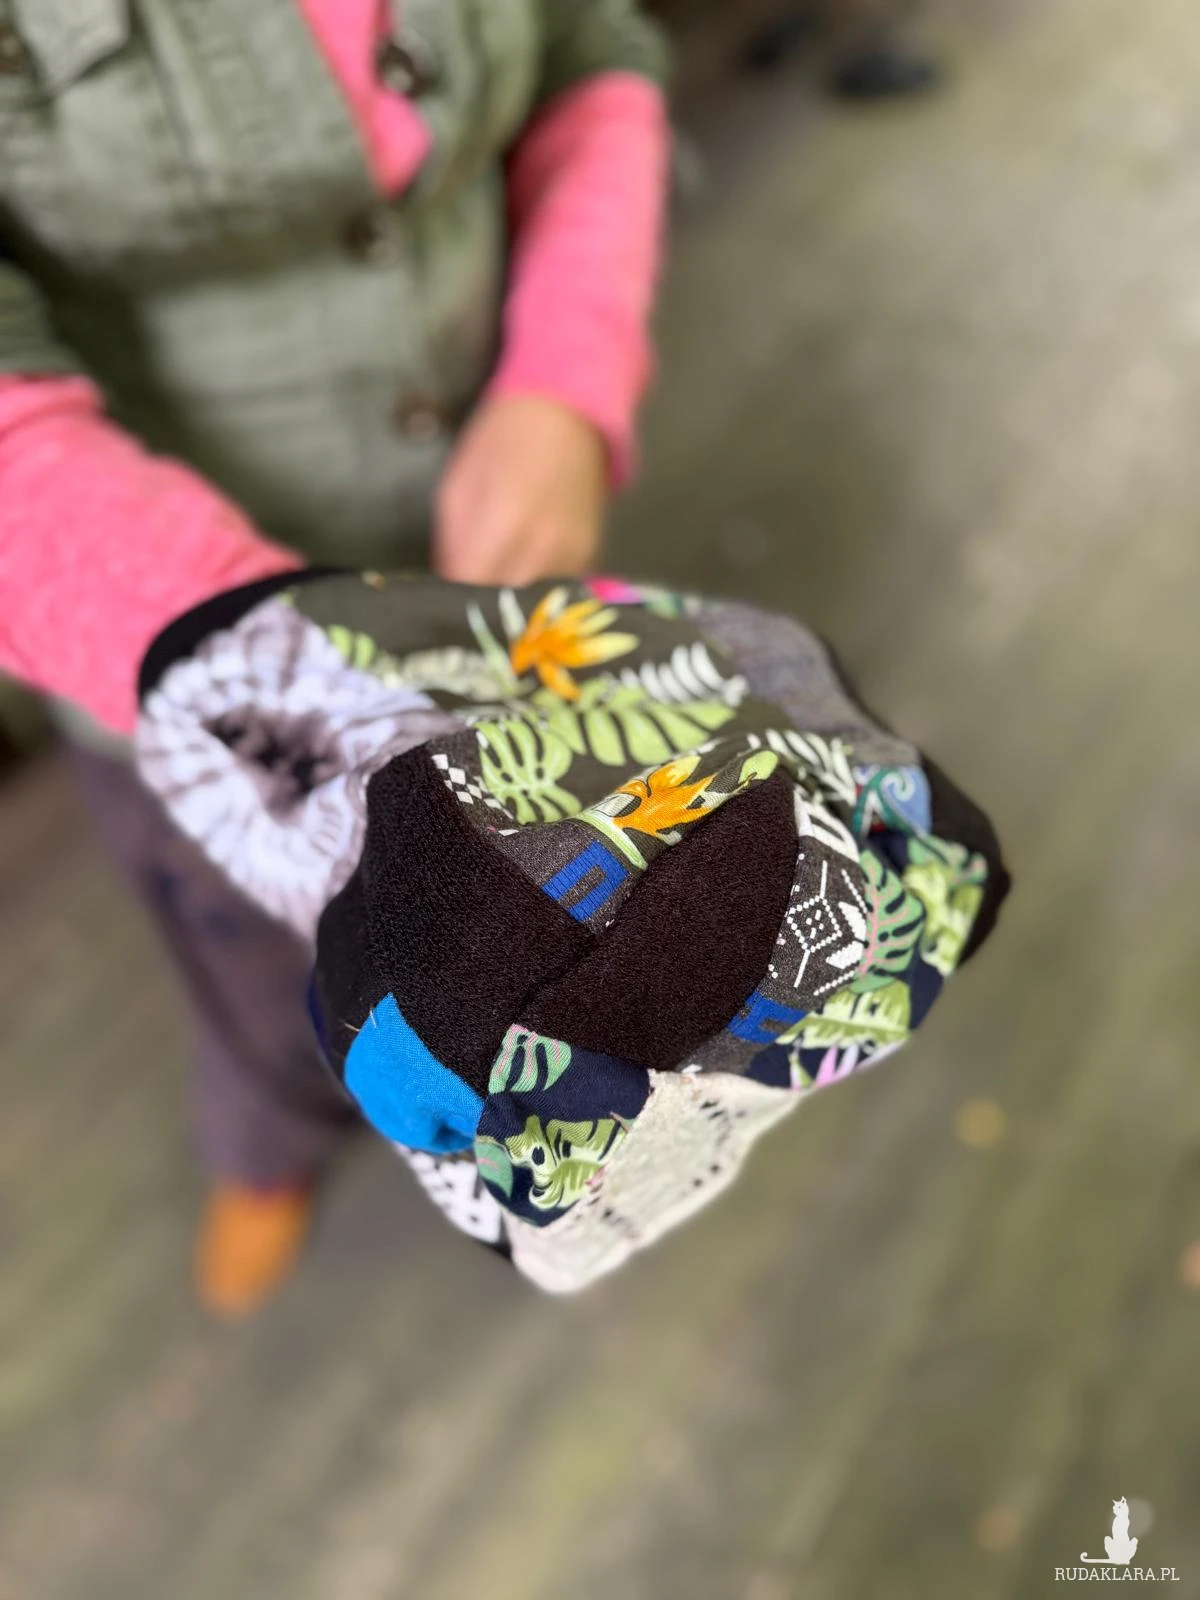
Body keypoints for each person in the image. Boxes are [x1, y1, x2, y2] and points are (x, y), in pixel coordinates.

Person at [0, 0, 670, 1314]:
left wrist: (566, 378)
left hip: (502, 583)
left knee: (530, 934)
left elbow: (595, 52)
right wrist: (294, 686)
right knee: (264, 973)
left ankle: (496, 1107)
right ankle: (269, 1145)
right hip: (193, 672)